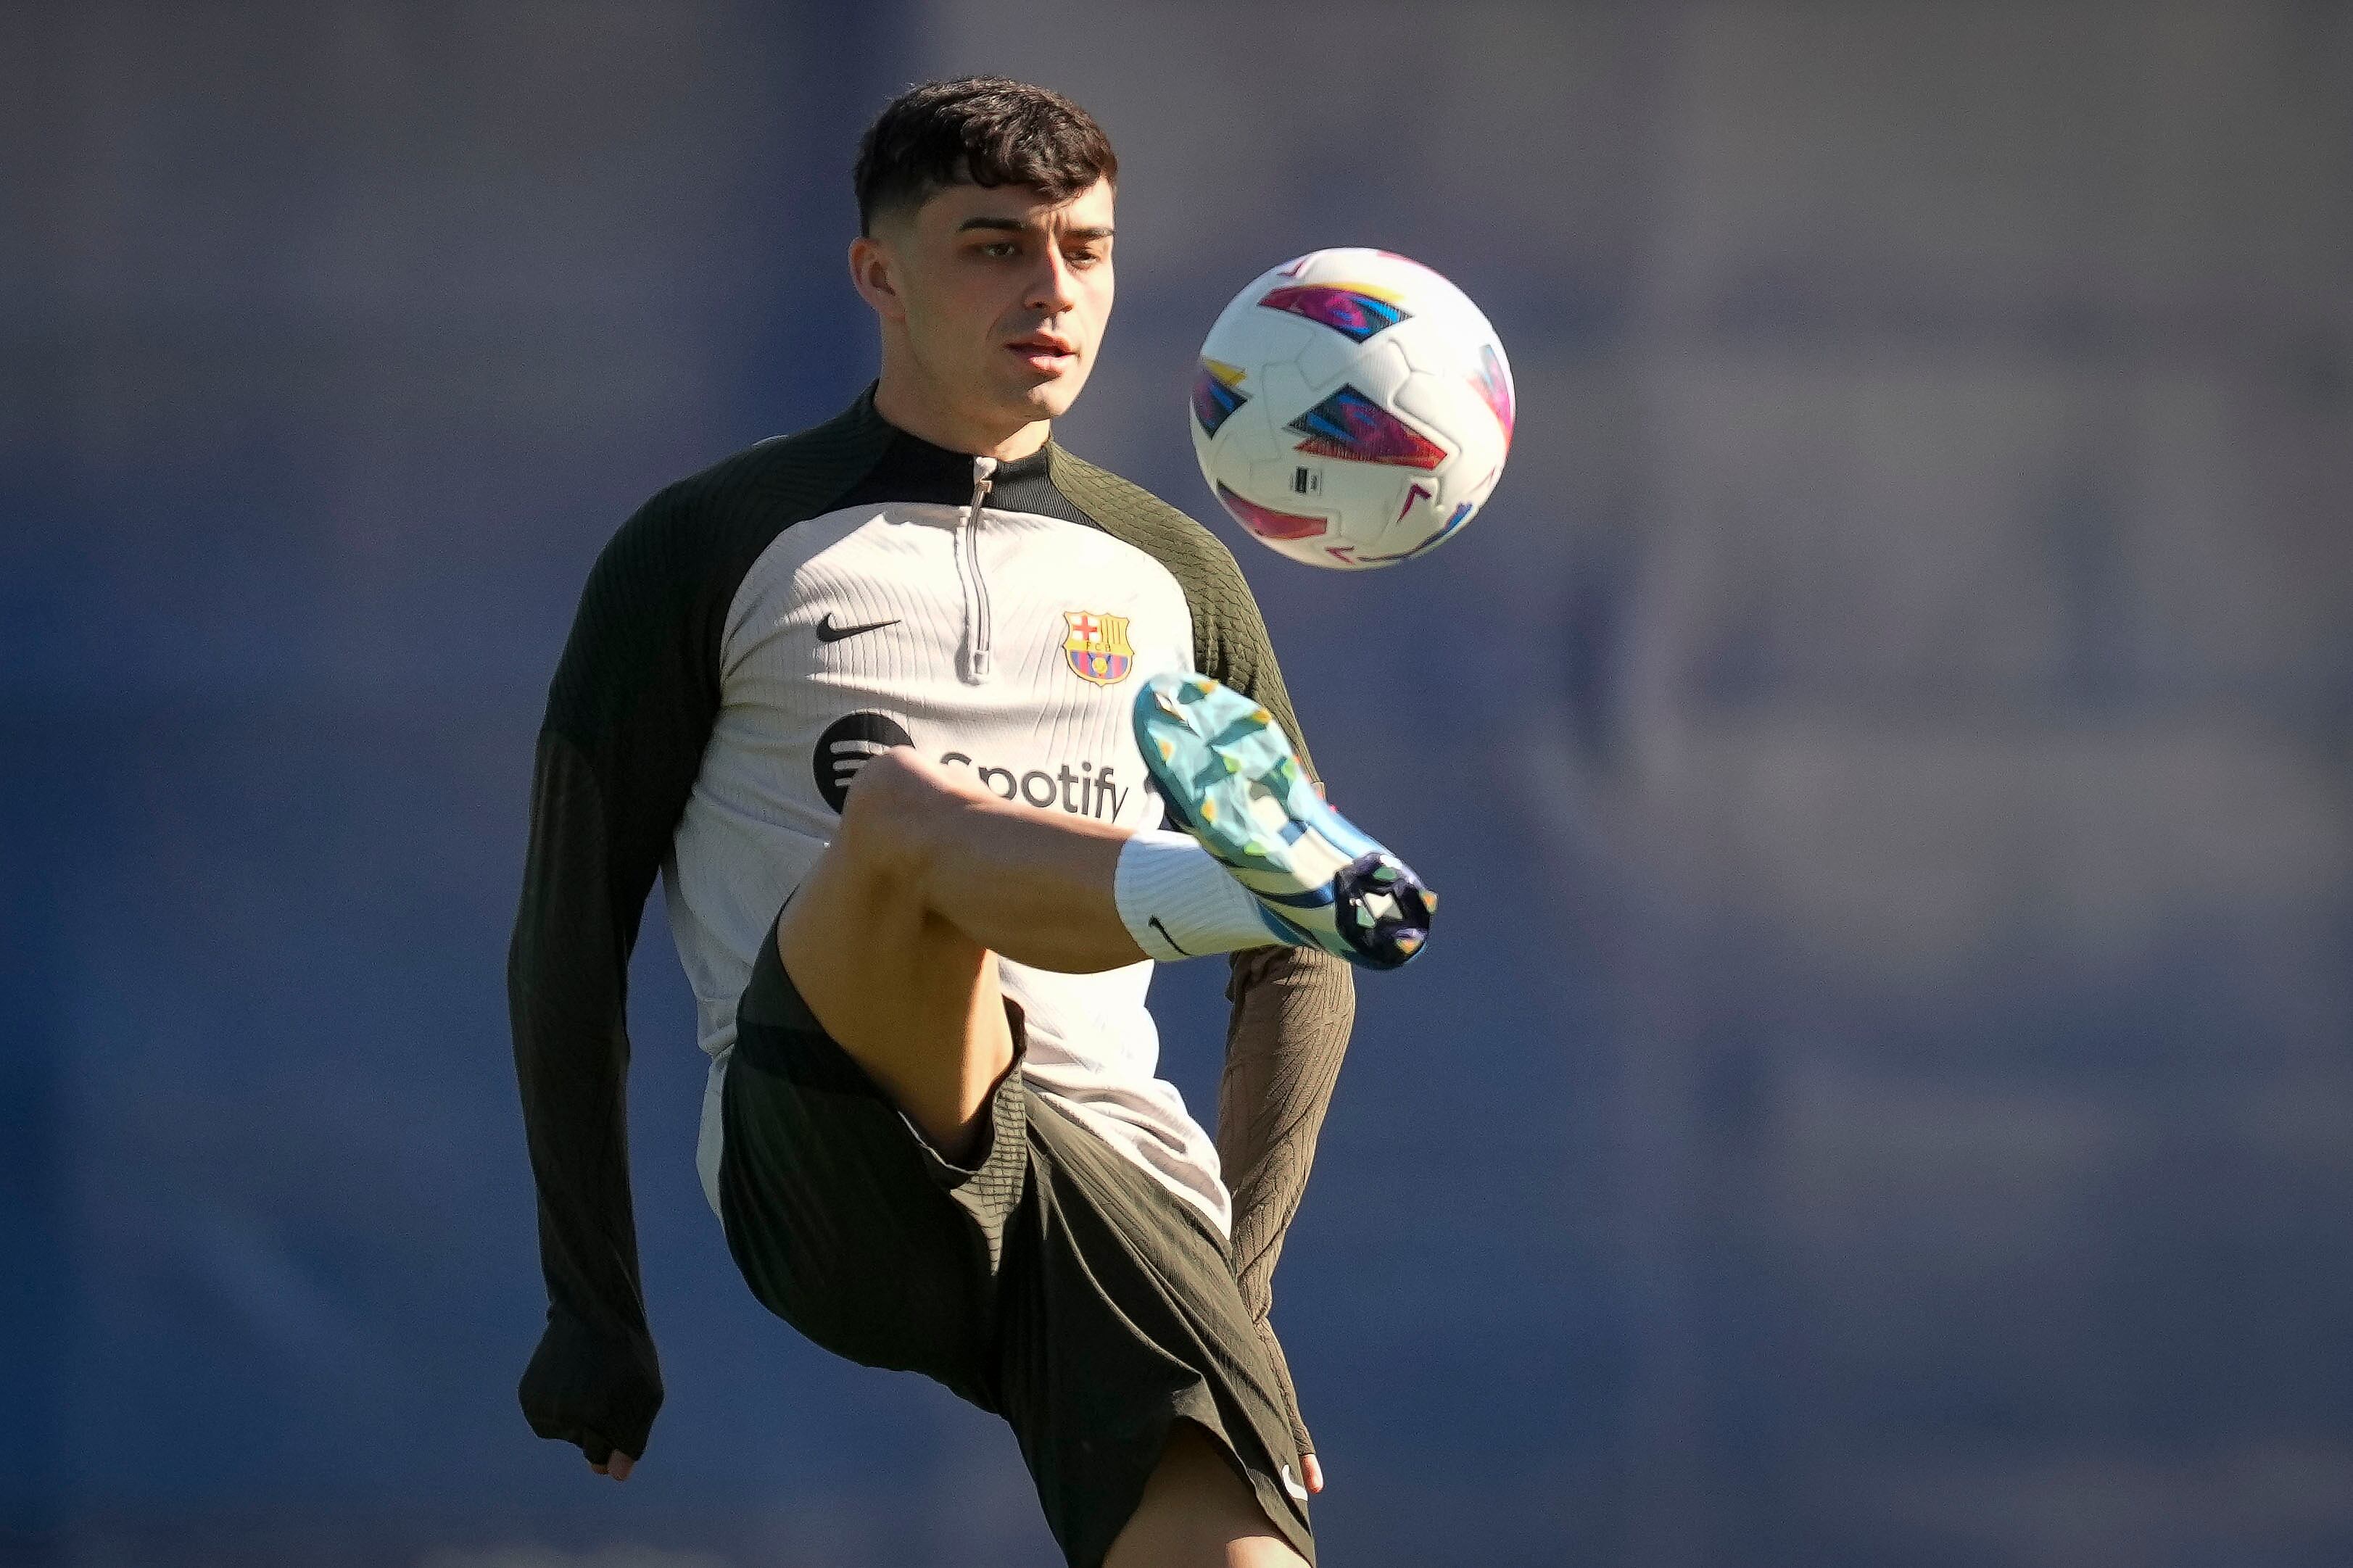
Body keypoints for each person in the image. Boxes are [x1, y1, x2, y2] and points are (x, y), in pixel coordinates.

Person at [507, 76, 1432, 1568]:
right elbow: (566, 943)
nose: (1052, 289)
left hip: (1108, 1183)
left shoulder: (1174, 571)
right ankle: (1245, 882)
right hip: (830, 1156)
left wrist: (1228, 1291)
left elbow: (1312, 973)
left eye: (1087, 246)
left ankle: (1257, 886)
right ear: (879, 273)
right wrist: (591, 1301)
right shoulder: (710, 546)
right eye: (995, 245)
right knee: (909, 820)